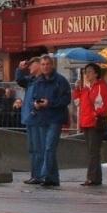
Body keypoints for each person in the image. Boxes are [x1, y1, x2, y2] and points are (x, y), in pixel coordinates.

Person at [25, 54, 72, 188]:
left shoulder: (60, 81)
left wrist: (50, 103)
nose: (45, 67)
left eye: (47, 64)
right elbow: (33, 97)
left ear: (52, 65)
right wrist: (36, 104)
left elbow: (66, 99)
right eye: (43, 64)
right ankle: (53, 178)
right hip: (42, 118)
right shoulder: (38, 81)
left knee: (49, 147)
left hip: (55, 118)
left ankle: (44, 174)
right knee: (45, 148)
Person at [73, 62, 107, 187]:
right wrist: (76, 89)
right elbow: (78, 103)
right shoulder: (86, 88)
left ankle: (92, 177)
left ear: (96, 74)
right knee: (91, 151)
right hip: (86, 122)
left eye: (89, 72)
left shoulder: (102, 87)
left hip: (95, 122)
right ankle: (95, 177)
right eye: (86, 72)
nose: (87, 74)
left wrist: (97, 113)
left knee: (93, 151)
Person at [15, 56, 44, 182]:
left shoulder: (41, 81)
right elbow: (20, 80)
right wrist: (20, 69)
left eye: (32, 64)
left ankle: (39, 175)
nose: (30, 67)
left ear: (38, 65)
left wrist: (34, 111)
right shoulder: (31, 80)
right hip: (29, 117)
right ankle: (34, 174)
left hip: (35, 117)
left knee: (37, 148)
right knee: (32, 149)